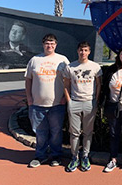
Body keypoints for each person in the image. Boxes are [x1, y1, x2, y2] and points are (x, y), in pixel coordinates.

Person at [25, 34, 69, 168]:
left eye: (52, 43)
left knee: (56, 132)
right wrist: (29, 98)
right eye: (47, 43)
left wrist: (64, 98)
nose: (49, 46)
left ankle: (56, 156)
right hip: (37, 105)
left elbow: (68, 80)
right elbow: (28, 80)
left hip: (57, 105)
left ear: (56, 45)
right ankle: (40, 156)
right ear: (43, 45)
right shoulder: (34, 60)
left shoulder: (62, 60)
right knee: (40, 133)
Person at [63, 41, 102, 172]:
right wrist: (69, 101)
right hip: (74, 102)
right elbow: (66, 85)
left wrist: (95, 100)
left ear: (89, 52)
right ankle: (74, 157)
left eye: (85, 50)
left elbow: (99, 84)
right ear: (77, 51)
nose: (83, 52)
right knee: (74, 133)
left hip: (89, 103)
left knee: (88, 132)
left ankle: (85, 156)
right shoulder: (70, 67)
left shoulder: (95, 67)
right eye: (81, 50)